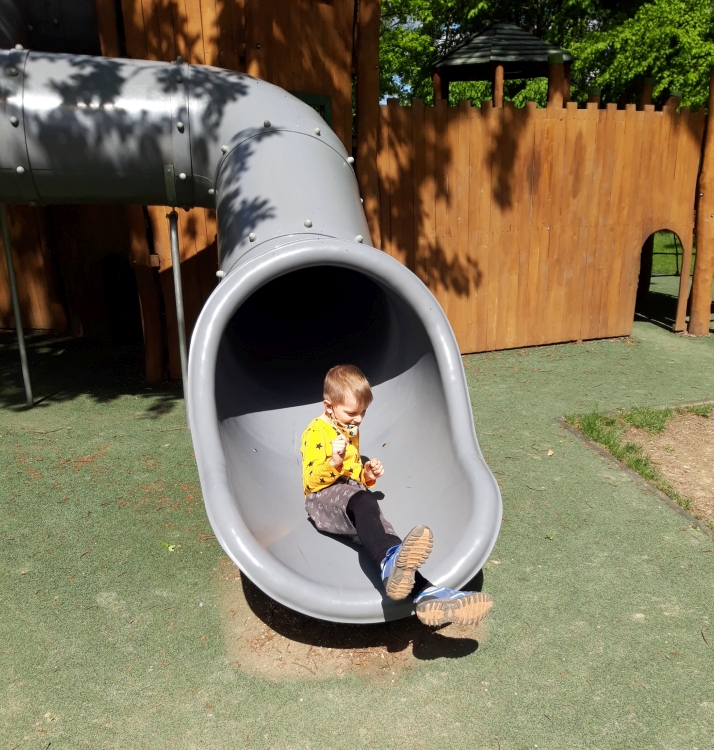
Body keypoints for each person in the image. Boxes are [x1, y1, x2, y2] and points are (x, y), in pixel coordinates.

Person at [301, 363, 493, 627]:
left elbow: (354, 474)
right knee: (364, 502)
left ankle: (429, 594)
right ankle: (397, 571)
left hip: (350, 494)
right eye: (351, 413)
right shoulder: (316, 431)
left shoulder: (348, 427)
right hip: (321, 499)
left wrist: (367, 474)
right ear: (328, 407)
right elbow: (311, 482)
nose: (358, 419)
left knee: (386, 537)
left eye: (363, 412)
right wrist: (334, 461)